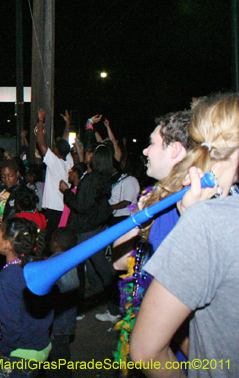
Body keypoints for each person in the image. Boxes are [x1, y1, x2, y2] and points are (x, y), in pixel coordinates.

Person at [131, 92, 239, 377]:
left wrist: (194, 220)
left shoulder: (205, 218)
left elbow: (146, 352)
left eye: (152, 143)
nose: (145, 151)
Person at [109, 110, 191, 367]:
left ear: (175, 150)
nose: (145, 151)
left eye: (152, 143)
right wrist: (139, 219)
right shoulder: (156, 200)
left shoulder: (182, 205)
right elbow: (120, 263)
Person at [0, 216, 53, 377]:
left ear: (7, 244)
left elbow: (11, 325)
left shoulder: (7, 278)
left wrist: (4, 353)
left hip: (21, 354)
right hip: (41, 345)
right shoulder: (38, 266)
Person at [60, 144, 116, 311]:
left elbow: (80, 206)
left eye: (91, 153)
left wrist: (66, 192)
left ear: (96, 159)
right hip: (94, 226)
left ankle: (114, 305)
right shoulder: (104, 177)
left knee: (100, 267)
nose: (87, 155)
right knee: (93, 264)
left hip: (86, 229)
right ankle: (97, 293)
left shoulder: (91, 179)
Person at [44, 227, 79, 378]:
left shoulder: (57, 262)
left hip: (59, 321)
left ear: (56, 243)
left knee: (57, 356)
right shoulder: (71, 259)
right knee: (62, 354)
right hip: (67, 318)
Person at [35, 109, 73, 242]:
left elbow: (40, 142)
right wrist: (67, 123)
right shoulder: (69, 161)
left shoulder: (55, 162)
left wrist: (41, 120)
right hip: (64, 209)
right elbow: (65, 142)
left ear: (56, 150)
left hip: (53, 209)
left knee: (49, 241)